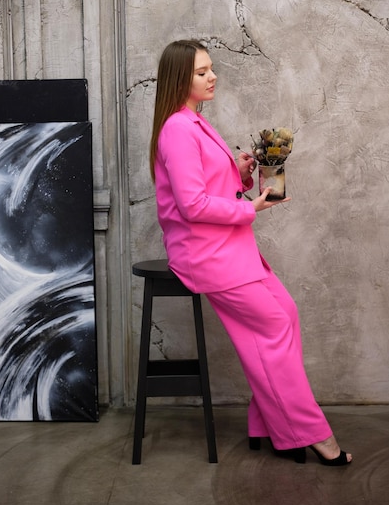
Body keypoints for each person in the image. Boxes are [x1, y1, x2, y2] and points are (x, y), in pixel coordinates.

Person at [149, 39, 352, 466]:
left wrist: (237, 173)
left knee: (287, 314)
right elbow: (192, 205)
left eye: (211, 69)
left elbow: (207, 187)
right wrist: (250, 207)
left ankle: (269, 426)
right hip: (206, 254)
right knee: (275, 323)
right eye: (201, 72)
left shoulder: (195, 122)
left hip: (230, 248)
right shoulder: (177, 129)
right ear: (179, 79)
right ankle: (311, 433)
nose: (212, 76)